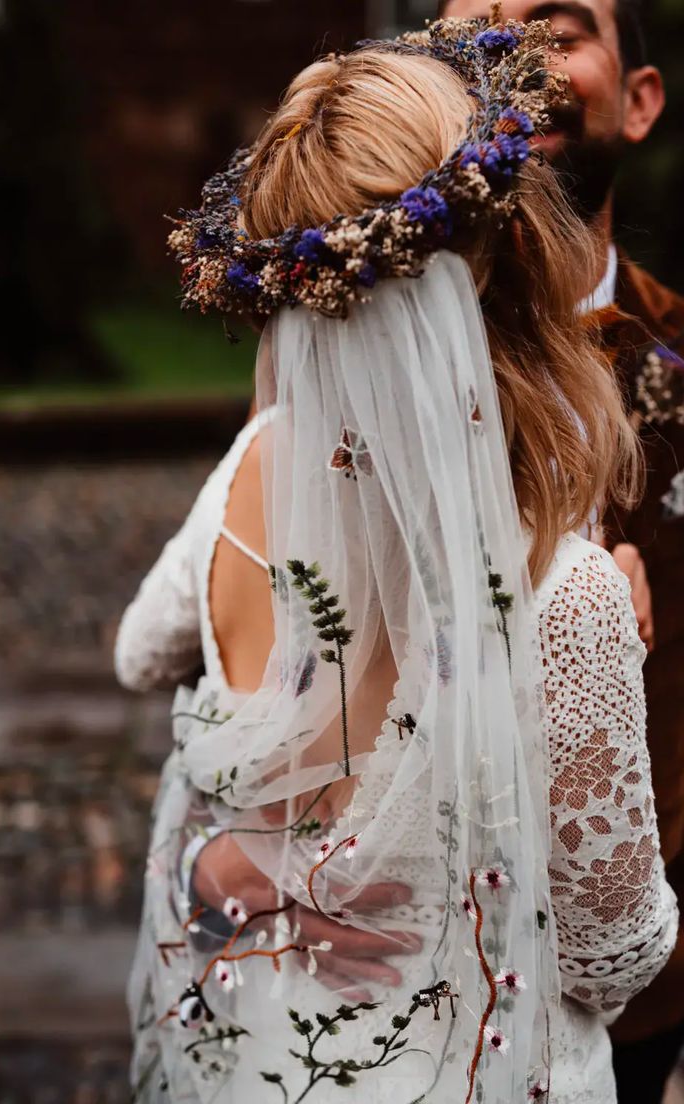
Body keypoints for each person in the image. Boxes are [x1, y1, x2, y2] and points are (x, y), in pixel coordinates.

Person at [116, 14, 677, 1104]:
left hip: (264, 1060)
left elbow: (146, 654)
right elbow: (614, 957)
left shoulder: (248, 467)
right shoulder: (566, 593)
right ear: (497, 254)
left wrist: (266, 862)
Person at [436, 0, 684, 1098]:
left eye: (552, 27)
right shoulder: (374, 375)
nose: (511, 61)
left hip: (649, 977)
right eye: (470, 36)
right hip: (429, 971)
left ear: (638, 99)